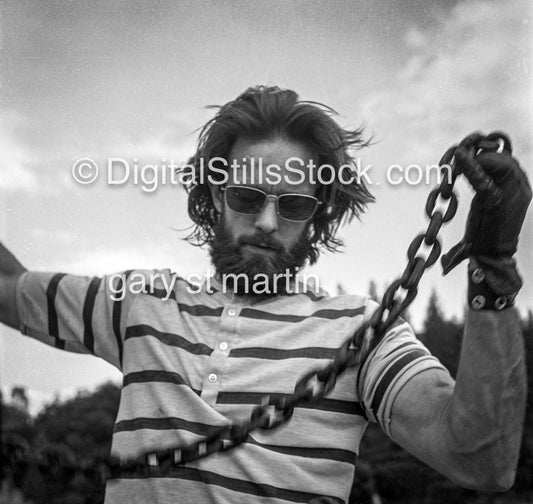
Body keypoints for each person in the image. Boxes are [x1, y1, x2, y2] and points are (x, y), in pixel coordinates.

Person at [0, 85, 530, 504]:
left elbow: (481, 460)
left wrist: (494, 271)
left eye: (294, 206)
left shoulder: (364, 331)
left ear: (318, 213)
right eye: (247, 196)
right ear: (215, 193)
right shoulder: (141, 301)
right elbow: (9, 290)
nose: (268, 222)